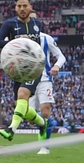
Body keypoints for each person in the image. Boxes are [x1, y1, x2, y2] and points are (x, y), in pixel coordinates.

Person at [0, 0, 48, 142]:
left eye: (25, 6)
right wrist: (15, 43)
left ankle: (11, 129)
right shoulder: (9, 24)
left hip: (34, 68)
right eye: (19, 6)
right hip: (17, 69)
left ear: (31, 7)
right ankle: (42, 124)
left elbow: (44, 44)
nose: (22, 9)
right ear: (15, 8)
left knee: (23, 94)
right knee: (21, 106)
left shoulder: (38, 24)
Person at [27, 13, 66, 154]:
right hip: (27, 81)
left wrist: (56, 66)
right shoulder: (20, 40)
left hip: (44, 80)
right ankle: (50, 125)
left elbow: (61, 56)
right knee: (30, 118)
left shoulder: (46, 38)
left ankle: (45, 146)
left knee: (45, 111)